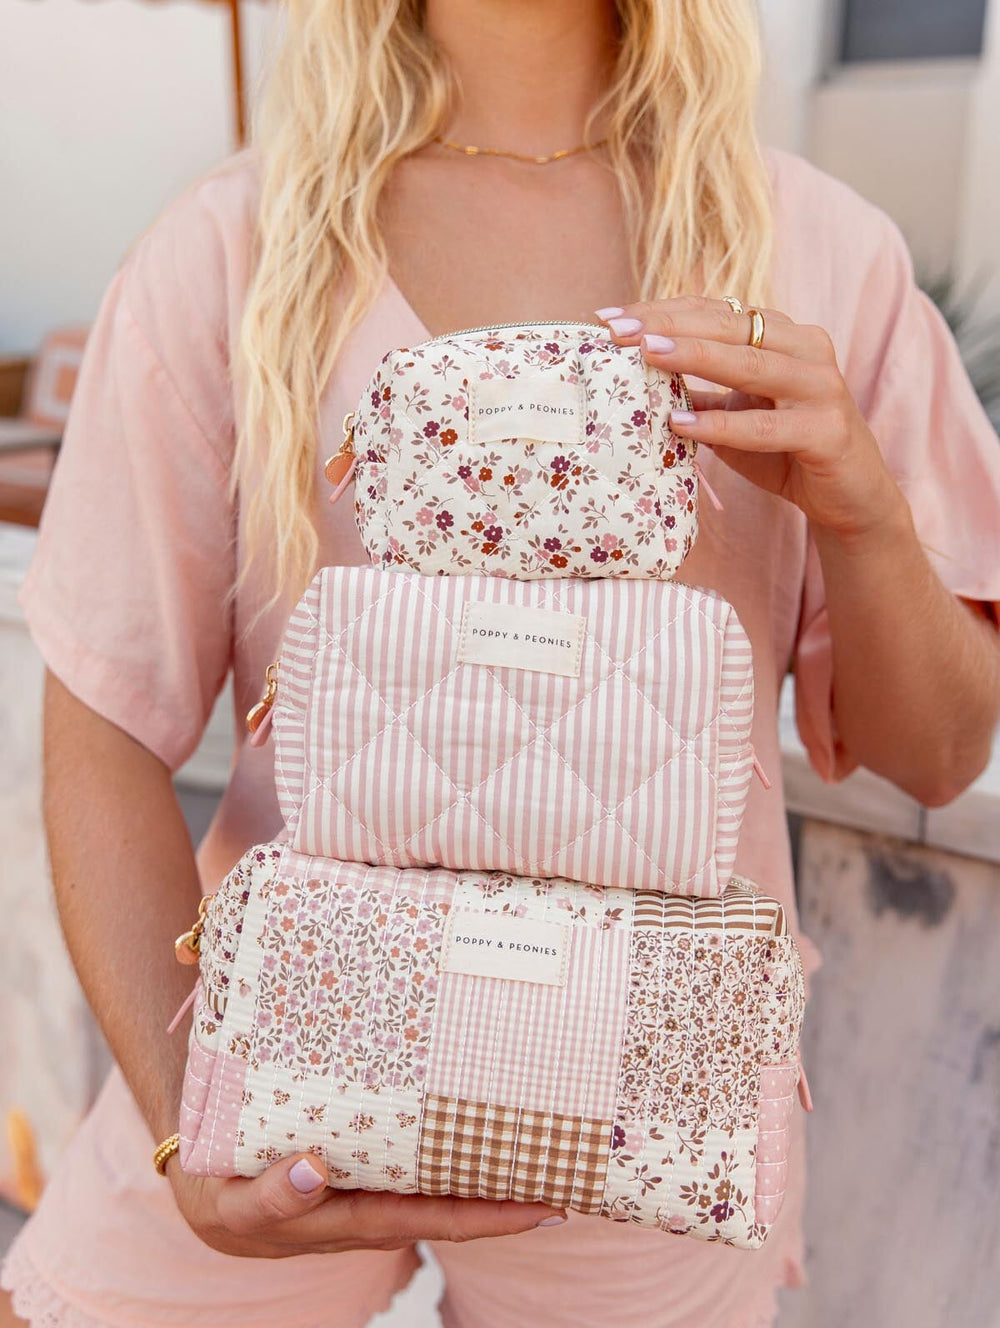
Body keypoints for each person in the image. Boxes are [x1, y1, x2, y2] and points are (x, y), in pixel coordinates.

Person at [3, 0, 1000, 1324]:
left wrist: (862, 508)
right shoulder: (237, 245)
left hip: (656, 1068)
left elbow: (936, 750)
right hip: (288, 1024)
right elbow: (108, 721)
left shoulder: (819, 251)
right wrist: (182, 1121)